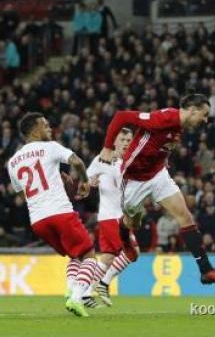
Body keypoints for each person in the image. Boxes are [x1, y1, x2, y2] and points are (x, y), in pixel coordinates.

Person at [99, 93, 215, 285]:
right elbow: (122, 116)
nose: (205, 120)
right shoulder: (163, 118)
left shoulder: (180, 126)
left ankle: (206, 270)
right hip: (133, 178)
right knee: (131, 222)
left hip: (157, 175)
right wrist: (106, 147)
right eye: (203, 115)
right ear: (192, 110)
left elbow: (161, 143)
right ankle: (126, 241)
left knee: (185, 217)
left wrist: (164, 159)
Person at [6, 112, 95, 317]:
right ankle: (77, 296)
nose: (49, 128)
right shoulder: (51, 147)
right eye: (45, 125)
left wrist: (54, 176)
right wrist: (84, 181)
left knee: (75, 254)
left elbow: (23, 194)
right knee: (89, 255)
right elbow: (78, 162)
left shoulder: (13, 162)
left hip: (38, 221)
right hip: (60, 213)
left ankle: (70, 290)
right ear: (34, 130)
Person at [83, 128, 136, 308]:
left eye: (129, 140)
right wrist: (90, 182)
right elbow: (87, 178)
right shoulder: (102, 159)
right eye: (122, 139)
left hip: (114, 217)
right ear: (114, 141)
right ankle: (104, 283)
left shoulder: (131, 162)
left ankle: (85, 293)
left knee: (107, 258)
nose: (126, 143)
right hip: (113, 217)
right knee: (133, 251)